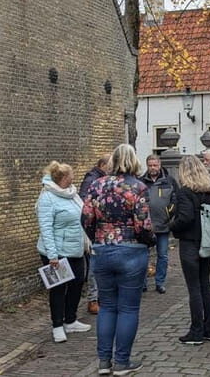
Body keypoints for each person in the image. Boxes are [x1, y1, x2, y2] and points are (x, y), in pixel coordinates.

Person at [82, 144, 152, 376]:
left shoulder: (96, 185)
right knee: (128, 308)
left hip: (103, 249)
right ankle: (122, 362)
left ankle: (104, 362)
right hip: (131, 249)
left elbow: (86, 219)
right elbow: (143, 225)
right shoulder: (138, 187)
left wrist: (99, 238)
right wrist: (147, 241)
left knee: (107, 307)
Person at [36, 161, 92, 343]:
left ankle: (71, 320)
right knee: (58, 288)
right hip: (56, 252)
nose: (73, 178)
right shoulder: (47, 197)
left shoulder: (72, 194)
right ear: (62, 178)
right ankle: (57, 326)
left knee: (78, 283)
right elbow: (46, 228)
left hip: (75, 249)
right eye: (70, 176)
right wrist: (52, 255)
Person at [166, 155, 210, 345]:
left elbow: (185, 218)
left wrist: (171, 225)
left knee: (194, 287)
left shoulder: (185, 192)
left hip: (190, 242)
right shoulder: (208, 192)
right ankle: (209, 328)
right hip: (207, 241)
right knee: (205, 284)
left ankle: (196, 331)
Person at [140, 155, 178, 294]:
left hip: (163, 224)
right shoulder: (141, 182)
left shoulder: (169, 181)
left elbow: (175, 200)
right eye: (150, 165)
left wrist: (169, 214)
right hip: (146, 226)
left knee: (163, 255)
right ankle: (142, 283)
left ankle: (160, 282)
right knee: (144, 256)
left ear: (160, 164)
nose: (153, 168)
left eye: (155, 165)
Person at [79, 154, 111, 315]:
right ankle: (93, 299)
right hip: (95, 229)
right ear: (104, 165)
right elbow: (86, 204)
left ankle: (100, 297)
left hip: (102, 231)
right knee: (94, 265)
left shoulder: (104, 179)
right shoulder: (92, 179)